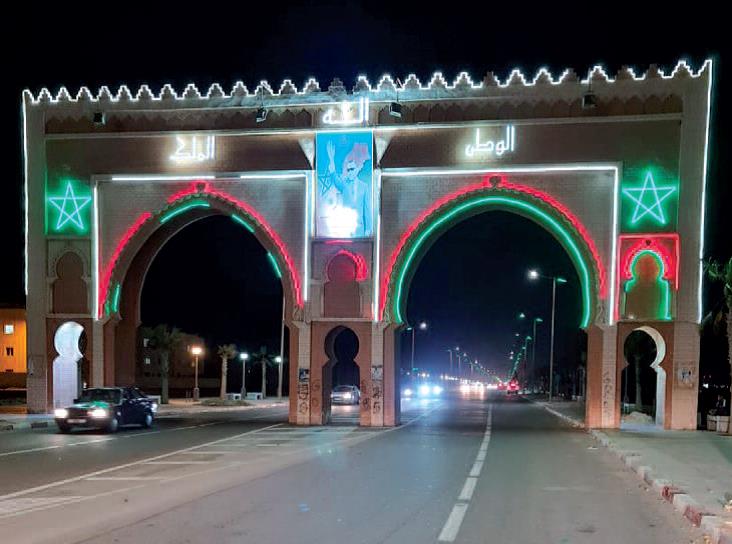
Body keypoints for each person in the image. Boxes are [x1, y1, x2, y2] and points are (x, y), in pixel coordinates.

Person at [317, 139, 373, 237]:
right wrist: (331, 160)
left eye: (352, 169)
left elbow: (367, 209)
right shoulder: (344, 184)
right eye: (348, 169)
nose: (350, 171)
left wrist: (368, 229)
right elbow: (335, 179)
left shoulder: (364, 186)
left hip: (360, 230)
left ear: (357, 170)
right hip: (346, 229)